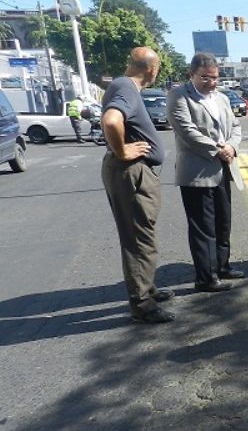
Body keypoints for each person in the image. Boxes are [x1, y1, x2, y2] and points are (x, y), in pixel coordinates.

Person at [100, 47, 175, 324]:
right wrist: (122, 151)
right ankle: (142, 304)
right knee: (139, 239)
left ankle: (148, 288)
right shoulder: (126, 87)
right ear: (152, 70)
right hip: (131, 172)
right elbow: (110, 120)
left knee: (143, 233)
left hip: (132, 172)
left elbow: (105, 117)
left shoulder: (120, 86)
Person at [167, 52, 245, 293]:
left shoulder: (221, 98)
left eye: (215, 78)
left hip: (224, 166)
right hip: (197, 171)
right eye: (205, 78)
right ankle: (206, 277)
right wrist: (218, 150)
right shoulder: (179, 96)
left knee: (223, 220)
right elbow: (187, 132)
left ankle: (222, 265)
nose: (211, 83)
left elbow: (235, 126)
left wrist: (232, 146)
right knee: (203, 226)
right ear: (191, 74)